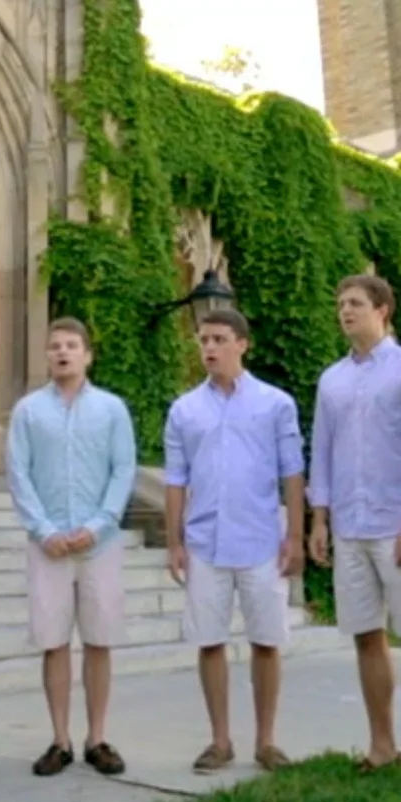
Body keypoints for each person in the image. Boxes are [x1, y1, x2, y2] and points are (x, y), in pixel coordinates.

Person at [306, 275, 401, 773]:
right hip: (349, 523)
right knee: (367, 634)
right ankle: (382, 743)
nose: (345, 311)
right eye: (340, 303)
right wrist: (319, 518)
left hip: (400, 522)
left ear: (383, 310)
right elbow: (321, 450)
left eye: (356, 304)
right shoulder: (332, 380)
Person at [164, 307, 305, 774]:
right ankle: (219, 740)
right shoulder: (185, 410)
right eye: (203, 339)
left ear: (242, 344)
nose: (209, 348)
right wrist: (174, 540)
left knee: (266, 640)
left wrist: (296, 537)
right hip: (205, 541)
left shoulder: (275, 404)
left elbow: (292, 473)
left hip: (262, 539)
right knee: (210, 641)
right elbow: (175, 479)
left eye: (219, 339)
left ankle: (266, 741)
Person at [6, 317, 138, 778]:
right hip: (49, 546)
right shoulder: (28, 412)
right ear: (47, 356)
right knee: (54, 642)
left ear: (87, 354)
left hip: (98, 545)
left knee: (99, 641)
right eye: (55, 346)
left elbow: (123, 470)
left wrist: (100, 525)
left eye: (71, 346)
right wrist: (44, 530)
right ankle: (60, 740)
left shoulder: (111, 410)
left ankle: (97, 737)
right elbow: (18, 474)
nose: (62, 353)